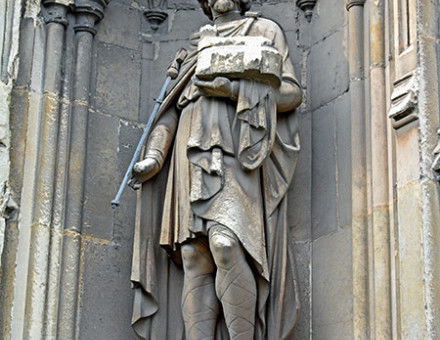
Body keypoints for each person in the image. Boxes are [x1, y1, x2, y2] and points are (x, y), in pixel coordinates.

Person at [129, 0, 302, 338]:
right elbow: (167, 111)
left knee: (225, 243)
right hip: (189, 153)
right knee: (194, 254)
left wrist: (234, 90)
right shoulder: (194, 46)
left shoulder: (263, 31)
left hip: (237, 148)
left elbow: (291, 94)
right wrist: (154, 157)